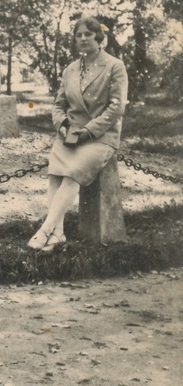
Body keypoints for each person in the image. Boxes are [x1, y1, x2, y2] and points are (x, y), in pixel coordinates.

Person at [28, 17, 128, 252]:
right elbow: (58, 105)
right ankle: (58, 233)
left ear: (99, 38)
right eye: (79, 35)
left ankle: (45, 231)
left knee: (72, 174)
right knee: (54, 174)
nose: (83, 39)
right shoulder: (70, 69)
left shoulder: (114, 66)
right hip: (70, 135)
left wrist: (89, 131)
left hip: (100, 137)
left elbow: (117, 108)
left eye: (88, 35)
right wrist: (61, 124)